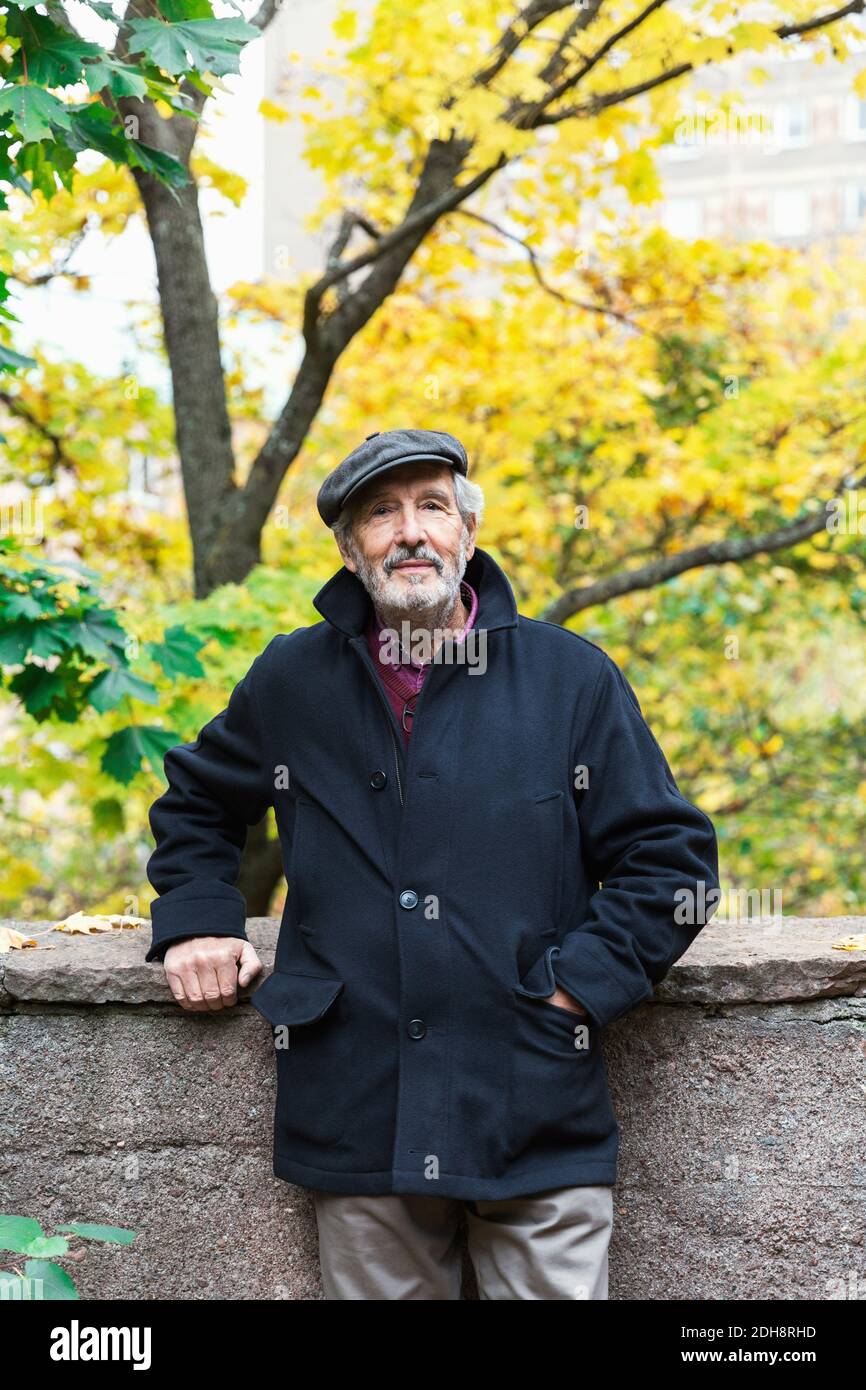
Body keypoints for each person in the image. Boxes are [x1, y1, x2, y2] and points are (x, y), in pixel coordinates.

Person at [145, 427, 720, 1300]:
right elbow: (196, 803)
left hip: (534, 1106)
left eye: (432, 507)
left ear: (467, 535)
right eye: (381, 513)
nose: (410, 531)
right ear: (350, 548)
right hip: (359, 1103)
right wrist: (196, 920)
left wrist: (573, 988)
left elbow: (671, 862)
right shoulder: (292, 678)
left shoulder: (571, 678)